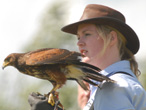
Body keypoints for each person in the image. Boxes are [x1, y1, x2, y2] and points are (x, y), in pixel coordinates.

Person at [28, 4, 146, 110]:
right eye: (78, 37)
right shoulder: (116, 84)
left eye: (87, 34)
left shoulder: (112, 88)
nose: (79, 43)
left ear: (111, 38)